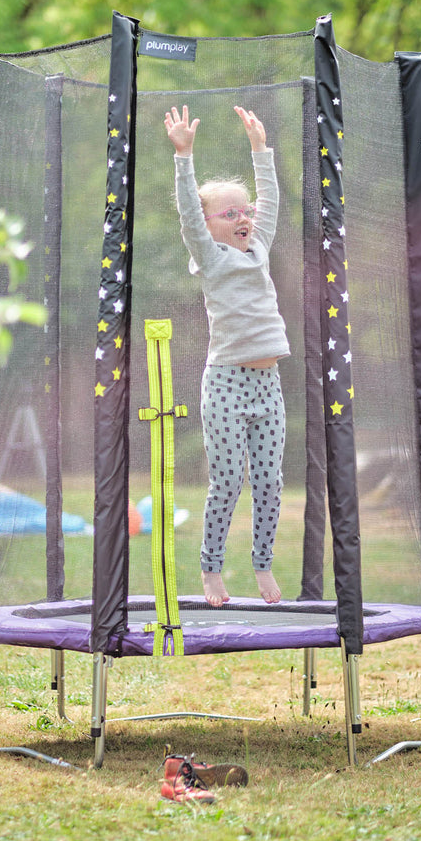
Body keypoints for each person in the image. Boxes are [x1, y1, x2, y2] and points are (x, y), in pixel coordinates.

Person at [165, 104, 290, 607]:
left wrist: (261, 149)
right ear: (211, 225)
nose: (243, 217)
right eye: (231, 212)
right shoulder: (211, 258)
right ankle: (211, 569)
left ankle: (262, 564)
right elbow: (189, 213)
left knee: (269, 482)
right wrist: (184, 157)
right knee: (227, 483)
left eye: (246, 210)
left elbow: (272, 203)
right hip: (225, 384)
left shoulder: (258, 248)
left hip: (268, 385)